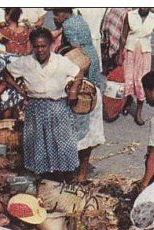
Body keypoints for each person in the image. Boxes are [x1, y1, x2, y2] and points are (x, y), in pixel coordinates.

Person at [4, 27, 83, 178]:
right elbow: (7, 73)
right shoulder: (26, 62)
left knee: (62, 142)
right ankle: (43, 177)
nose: (40, 50)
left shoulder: (61, 61)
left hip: (58, 107)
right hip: (35, 108)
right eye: (36, 46)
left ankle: (65, 177)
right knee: (38, 143)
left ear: (50, 45)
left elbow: (78, 73)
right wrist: (19, 89)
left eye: (43, 46)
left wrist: (74, 89)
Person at [53, 8, 106, 184]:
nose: (54, 17)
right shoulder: (79, 19)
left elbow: (76, 49)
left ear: (64, 13)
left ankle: (72, 171)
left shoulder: (68, 25)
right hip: (91, 60)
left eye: (56, 13)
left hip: (81, 64)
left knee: (77, 128)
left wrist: (77, 74)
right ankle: (80, 172)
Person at [118, 8, 154, 126]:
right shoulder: (129, 15)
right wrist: (120, 54)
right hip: (130, 52)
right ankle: (128, 100)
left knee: (142, 82)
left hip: (144, 55)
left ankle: (138, 112)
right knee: (128, 79)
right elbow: (123, 36)